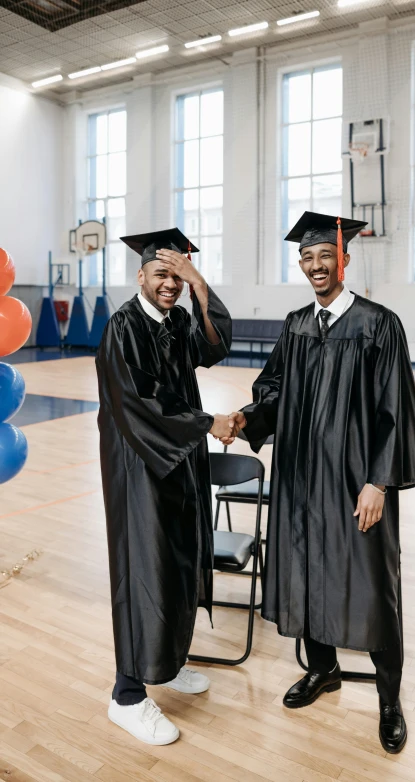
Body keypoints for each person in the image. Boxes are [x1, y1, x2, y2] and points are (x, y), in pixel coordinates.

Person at [230, 211, 415, 754]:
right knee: (308, 569)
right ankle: (323, 670)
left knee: (373, 585)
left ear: (344, 259)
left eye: (326, 256)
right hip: (300, 477)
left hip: (354, 484)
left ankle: (389, 700)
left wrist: (379, 482)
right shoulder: (296, 325)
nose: (317, 265)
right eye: (308, 257)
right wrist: (249, 418)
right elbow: (273, 388)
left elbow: (396, 409)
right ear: (301, 264)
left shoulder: (378, 324)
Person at [96, 228, 233, 746]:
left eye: (177, 275)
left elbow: (216, 344)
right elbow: (140, 408)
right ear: (141, 276)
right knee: (144, 573)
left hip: (177, 465)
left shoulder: (174, 322)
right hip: (141, 472)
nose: (170, 284)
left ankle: (169, 663)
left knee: (177, 565)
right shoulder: (122, 329)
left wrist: (198, 280)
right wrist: (206, 424)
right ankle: (127, 695)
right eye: (162, 274)